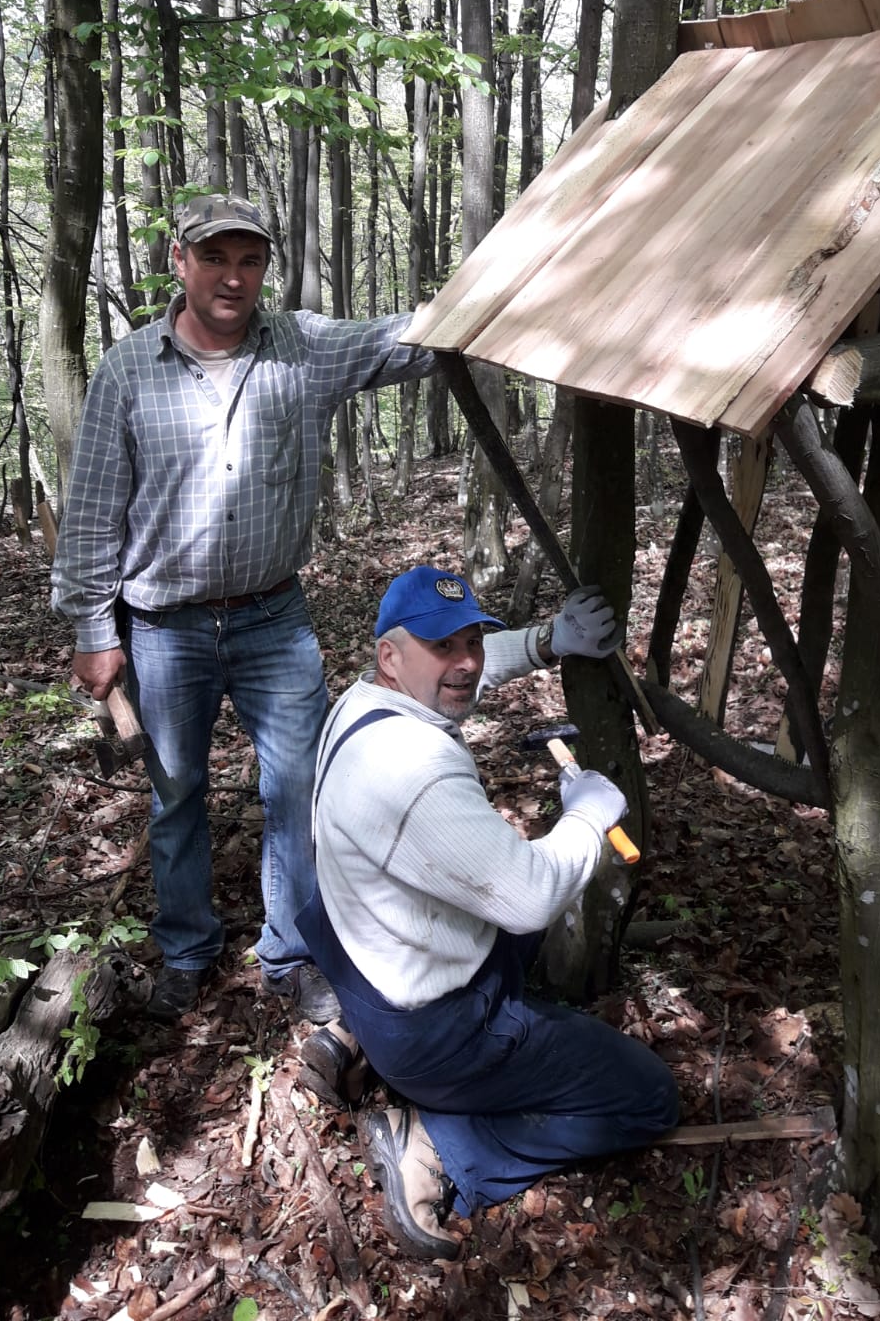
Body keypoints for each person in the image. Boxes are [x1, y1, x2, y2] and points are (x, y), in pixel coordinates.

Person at [51, 192, 436, 1023]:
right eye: (215, 258)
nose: (233, 277)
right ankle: (187, 950)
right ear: (179, 262)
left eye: (250, 260)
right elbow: (91, 514)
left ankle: (292, 953)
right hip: (164, 628)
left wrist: (499, 295)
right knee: (176, 796)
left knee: (298, 789)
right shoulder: (128, 371)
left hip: (273, 618)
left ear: (265, 268)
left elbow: (408, 339)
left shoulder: (302, 348)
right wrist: (92, 630)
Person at [296, 566, 680, 1260]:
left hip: (369, 964)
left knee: (513, 905)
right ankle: (441, 1146)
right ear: (390, 655)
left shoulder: (363, 701)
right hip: (435, 1032)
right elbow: (530, 896)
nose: (466, 662)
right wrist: (588, 819)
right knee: (647, 1096)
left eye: (471, 640)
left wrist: (549, 641)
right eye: (444, 645)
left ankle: (354, 1037)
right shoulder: (414, 769)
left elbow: (465, 672)